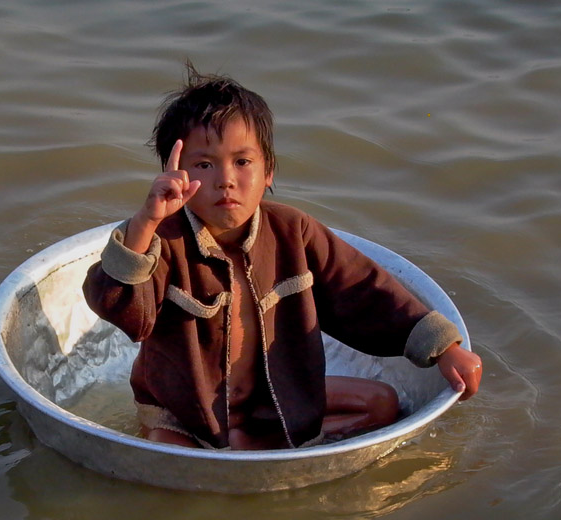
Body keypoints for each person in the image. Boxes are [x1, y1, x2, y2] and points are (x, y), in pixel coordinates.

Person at [83, 66, 482, 450]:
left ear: (268, 169)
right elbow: (123, 312)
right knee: (168, 450)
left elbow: (363, 291)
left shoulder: (294, 232)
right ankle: (249, 449)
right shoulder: (163, 239)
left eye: (243, 162)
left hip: (273, 397)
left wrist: (445, 347)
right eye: (204, 165)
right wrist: (144, 224)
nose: (226, 179)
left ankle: (259, 444)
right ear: (176, 175)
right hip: (187, 412)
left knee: (382, 403)